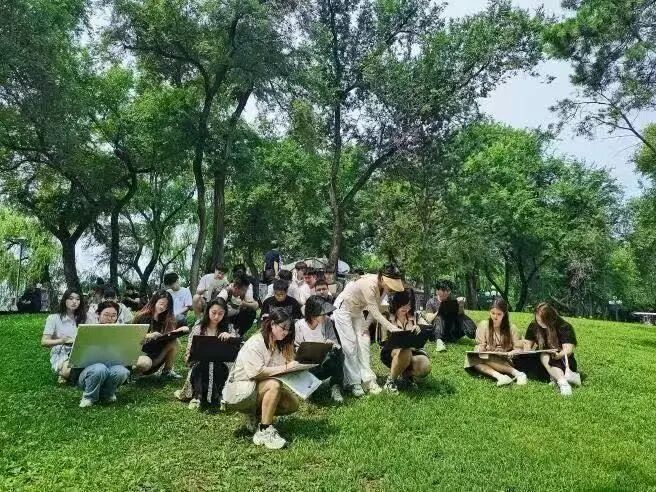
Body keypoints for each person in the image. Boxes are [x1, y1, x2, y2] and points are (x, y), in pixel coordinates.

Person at [223, 308, 300, 450]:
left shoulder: (279, 344)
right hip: (241, 392)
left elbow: (284, 367)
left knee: (292, 403)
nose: (286, 332)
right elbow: (256, 373)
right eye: (283, 328)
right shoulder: (256, 342)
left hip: (259, 388)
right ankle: (264, 429)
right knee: (274, 385)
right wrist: (286, 368)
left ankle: (256, 415)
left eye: (289, 330)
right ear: (272, 324)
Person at [332, 264, 405, 397]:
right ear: (382, 278)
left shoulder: (384, 289)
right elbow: (375, 312)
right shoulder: (369, 284)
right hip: (343, 309)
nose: (392, 288)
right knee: (350, 345)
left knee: (364, 343)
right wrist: (392, 328)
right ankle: (354, 382)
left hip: (357, 311)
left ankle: (368, 380)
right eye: (390, 283)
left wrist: (365, 327)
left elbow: (374, 310)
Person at [174, 298, 237, 409]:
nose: (216, 317)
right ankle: (197, 396)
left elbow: (234, 351)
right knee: (201, 366)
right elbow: (189, 352)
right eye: (214, 312)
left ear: (224, 314)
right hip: (200, 364)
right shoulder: (199, 328)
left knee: (216, 366)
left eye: (220, 314)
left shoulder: (229, 328)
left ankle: (219, 396)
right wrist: (191, 357)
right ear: (208, 311)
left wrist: (230, 338)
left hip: (221, 365)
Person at [73, 301, 132, 408]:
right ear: (98, 314)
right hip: (89, 374)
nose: (110, 319)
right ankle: (89, 397)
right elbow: (76, 359)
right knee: (99, 368)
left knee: (122, 371)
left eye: (113, 316)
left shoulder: (121, 333)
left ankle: (107, 393)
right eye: (106, 315)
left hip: (111, 371)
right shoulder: (88, 331)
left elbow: (126, 357)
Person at [464, 297, 527, 387]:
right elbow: (480, 344)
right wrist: (480, 349)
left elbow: (519, 349)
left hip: (506, 359)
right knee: (473, 358)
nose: (495, 316)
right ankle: (500, 377)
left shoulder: (511, 328)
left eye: (499, 314)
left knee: (482, 359)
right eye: (493, 313)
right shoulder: (484, 325)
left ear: (504, 314)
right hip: (487, 356)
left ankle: (518, 374)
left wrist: (510, 353)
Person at [523, 302, 580, 396]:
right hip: (541, 362)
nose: (540, 323)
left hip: (562, 361)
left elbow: (568, 350)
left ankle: (562, 382)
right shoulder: (534, 326)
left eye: (543, 321)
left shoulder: (564, 326)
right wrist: (527, 349)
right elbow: (527, 344)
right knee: (525, 359)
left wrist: (558, 355)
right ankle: (554, 377)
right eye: (538, 320)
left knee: (545, 355)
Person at [380, 289, 431, 393]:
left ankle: (406, 375)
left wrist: (419, 327)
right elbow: (383, 341)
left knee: (424, 366)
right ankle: (390, 381)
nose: (406, 308)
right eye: (403, 304)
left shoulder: (416, 316)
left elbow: (428, 328)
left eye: (409, 305)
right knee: (405, 350)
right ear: (396, 302)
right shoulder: (387, 316)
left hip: (413, 350)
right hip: (391, 351)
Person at [295, 296, 344, 402]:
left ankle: (335, 386)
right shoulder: (299, 326)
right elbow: (296, 348)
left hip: (325, 360)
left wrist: (331, 344)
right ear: (312, 314)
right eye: (322, 314)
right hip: (307, 363)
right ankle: (309, 388)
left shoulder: (327, 322)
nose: (325, 316)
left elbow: (335, 343)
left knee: (338, 353)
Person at [133, 290, 188, 378]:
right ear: (155, 301)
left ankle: (167, 371)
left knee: (175, 341)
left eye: (166, 306)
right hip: (143, 355)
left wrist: (180, 330)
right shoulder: (142, 316)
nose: (163, 308)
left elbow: (171, 332)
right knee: (144, 364)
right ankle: (135, 373)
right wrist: (149, 336)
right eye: (161, 304)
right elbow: (132, 338)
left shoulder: (165, 317)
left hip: (158, 354)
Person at [41, 289, 87, 383]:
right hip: (62, 351)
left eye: (78, 299)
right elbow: (44, 342)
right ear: (64, 300)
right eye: (71, 298)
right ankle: (67, 373)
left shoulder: (84, 317)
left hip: (80, 351)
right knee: (67, 371)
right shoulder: (53, 318)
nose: (74, 302)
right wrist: (63, 340)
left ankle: (79, 373)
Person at [425, 279, 474, 352]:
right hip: (436, 332)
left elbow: (460, 315)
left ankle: (475, 334)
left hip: (451, 330)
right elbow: (429, 319)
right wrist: (439, 311)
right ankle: (439, 342)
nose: (446, 293)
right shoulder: (431, 302)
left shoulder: (453, 300)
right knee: (440, 316)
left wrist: (461, 305)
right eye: (443, 290)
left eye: (448, 290)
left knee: (462, 316)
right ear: (437, 291)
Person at [217, 271, 259, 336]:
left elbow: (256, 305)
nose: (245, 292)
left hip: (236, 319)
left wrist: (244, 304)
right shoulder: (224, 294)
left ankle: (239, 334)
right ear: (236, 288)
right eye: (244, 290)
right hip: (223, 320)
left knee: (250, 312)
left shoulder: (242, 294)